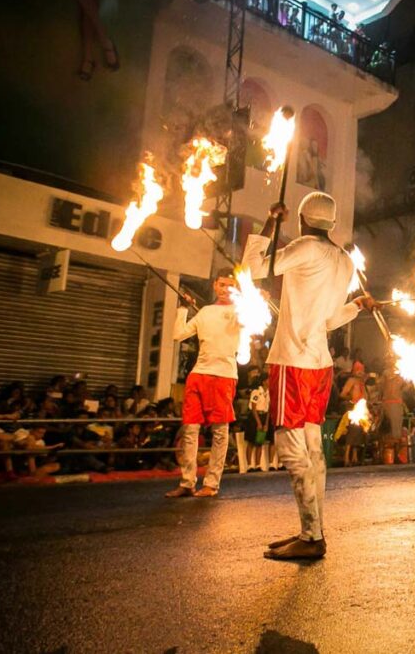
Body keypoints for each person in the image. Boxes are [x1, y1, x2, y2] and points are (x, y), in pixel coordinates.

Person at [244, 192, 377, 559]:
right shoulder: (344, 261)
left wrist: (271, 222)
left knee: (291, 449)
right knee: (314, 450)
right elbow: (333, 319)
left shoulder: (305, 246)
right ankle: (312, 530)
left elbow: (254, 268)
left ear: (303, 219)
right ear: (331, 223)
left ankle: (311, 536)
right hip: (319, 364)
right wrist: (356, 305)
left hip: (293, 360)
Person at [164, 270, 242, 499]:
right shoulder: (205, 312)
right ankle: (187, 482)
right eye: (222, 284)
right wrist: (183, 308)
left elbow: (254, 323)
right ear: (214, 285)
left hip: (224, 375)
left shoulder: (241, 311)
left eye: (231, 285)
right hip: (199, 374)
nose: (226, 289)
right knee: (190, 429)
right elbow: (178, 334)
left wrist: (261, 300)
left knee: (220, 432)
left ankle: (211, 484)